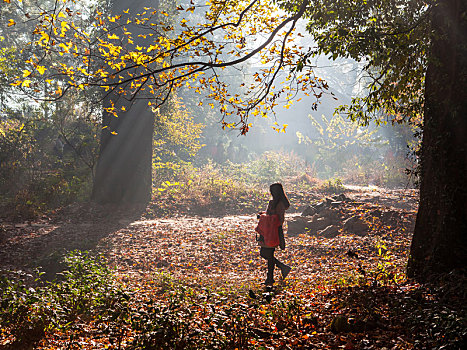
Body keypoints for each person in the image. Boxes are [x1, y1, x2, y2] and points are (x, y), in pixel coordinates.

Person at [259, 183, 291, 286]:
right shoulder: (272, 202)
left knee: (266, 253)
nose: (271, 193)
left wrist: (266, 218)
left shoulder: (280, 204)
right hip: (268, 230)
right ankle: (272, 276)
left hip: (274, 231)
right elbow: (270, 214)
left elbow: (280, 220)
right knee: (267, 254)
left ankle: (276, 272)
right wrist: (263, 215)